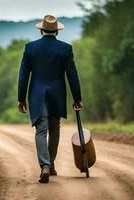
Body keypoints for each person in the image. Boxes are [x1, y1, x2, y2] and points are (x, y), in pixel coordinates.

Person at [17, 15, 82, 183]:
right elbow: (72, 75)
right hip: (57, 94)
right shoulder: (65, 49)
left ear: (41, 30)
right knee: (55, 130)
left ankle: (45, 166)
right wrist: (77, 98)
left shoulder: (30, 48)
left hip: (37, 95)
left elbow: (23, 74)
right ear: (57, 32)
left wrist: (21, 98)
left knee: (41, 130)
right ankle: (50, 164)